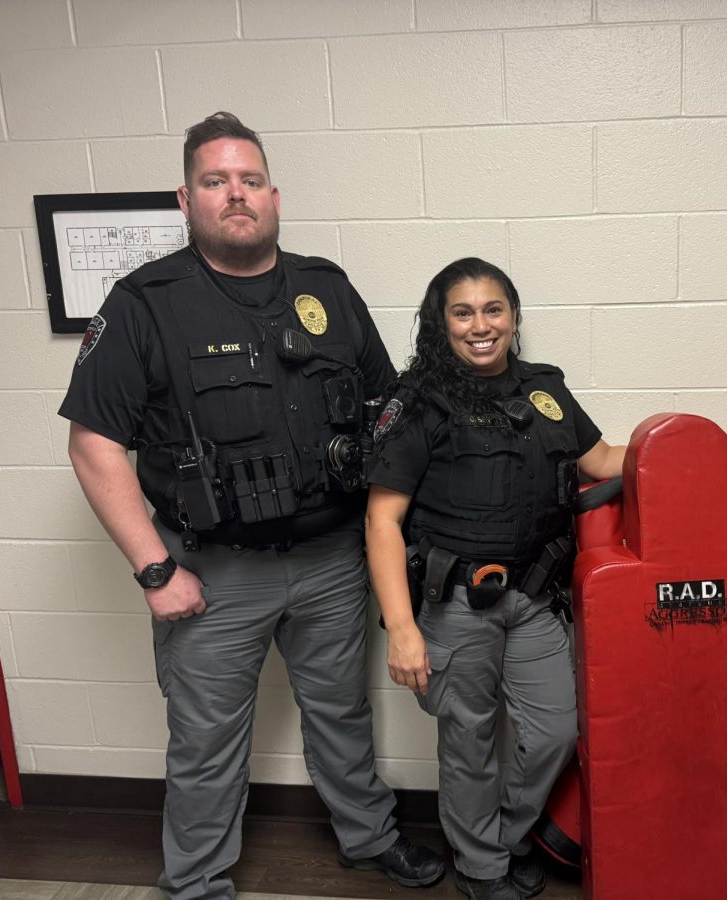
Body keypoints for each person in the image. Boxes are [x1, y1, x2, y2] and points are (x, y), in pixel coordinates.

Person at [58, 111, 444, 899]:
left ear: (273, 194)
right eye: (215, 180)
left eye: (249, 179)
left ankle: (367, 837)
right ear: (186, 197)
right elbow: (93, 445)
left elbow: (388, 408)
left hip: (333, 560)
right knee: (205, 740)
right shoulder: (144, 303)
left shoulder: (326, 288)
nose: (236, 194)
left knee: (341, 714)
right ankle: (197, 881)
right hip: (213, 573)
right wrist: (155, 569)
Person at [365, 258, 625, 900]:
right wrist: (401, 628)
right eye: (463, 312)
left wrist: (687, 442)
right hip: (455, 603)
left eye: (493, 310)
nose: (480, 326)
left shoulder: (544, 389)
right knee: (470, 741)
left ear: (512, 317)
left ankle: (503, 842)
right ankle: (482, 870)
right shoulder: (420, 401)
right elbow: (381, 520)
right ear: (441, 323)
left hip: (535, 598)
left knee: (557, 728)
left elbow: (604, 459)